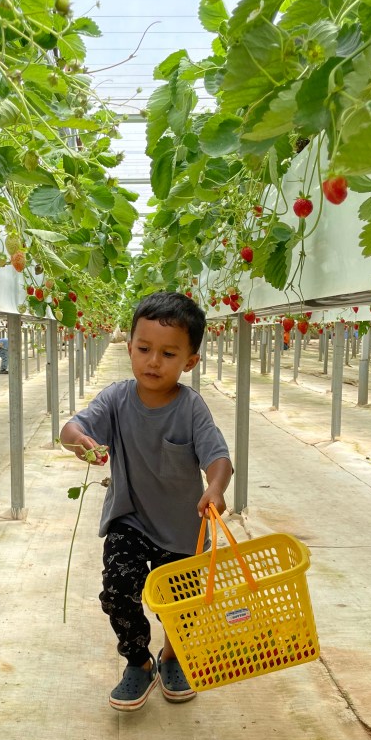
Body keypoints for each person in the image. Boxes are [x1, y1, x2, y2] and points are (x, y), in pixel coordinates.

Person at [60, 291, 233, 712]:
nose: (153, 361)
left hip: (183, 529)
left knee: (182, 605)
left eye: (168, 354)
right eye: (144, 349)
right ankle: (138, 661)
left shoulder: (191, 408)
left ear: (190, 361)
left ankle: (172, 656)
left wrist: (215, 487)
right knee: (118, 592)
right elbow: (72, 428)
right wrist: (80, 441)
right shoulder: (115, 399)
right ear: (129, 347)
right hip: (130, 519)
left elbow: (219, 458)